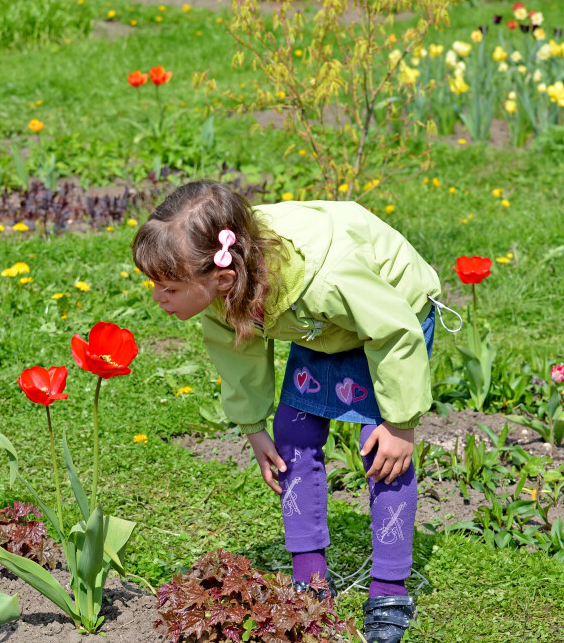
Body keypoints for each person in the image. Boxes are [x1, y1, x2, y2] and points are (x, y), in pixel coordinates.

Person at [132, 181, 455, 643]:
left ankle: (389, 590)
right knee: (293, 435)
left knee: (381, 451)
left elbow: (393, 331)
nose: (158, 297)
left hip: (387, 314)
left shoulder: (329, 279)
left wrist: (400, 424)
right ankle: (311, 582)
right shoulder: (225, 286)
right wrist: (253, 427)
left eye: (168, 287)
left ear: (223, 278)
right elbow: (237, 351)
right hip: (319, 325)